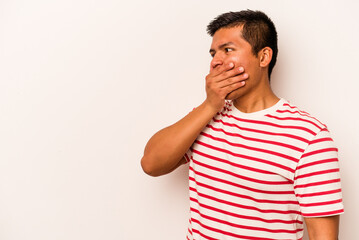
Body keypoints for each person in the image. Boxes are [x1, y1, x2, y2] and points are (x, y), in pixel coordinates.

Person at [141, 10, 344, 240]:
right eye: (213, 53)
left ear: (263, 57)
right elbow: (151, 164)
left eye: (228, 50)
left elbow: (323, 236)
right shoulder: (206, 116)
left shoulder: (309, 137)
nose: (216, 61)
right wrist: (209, 106)